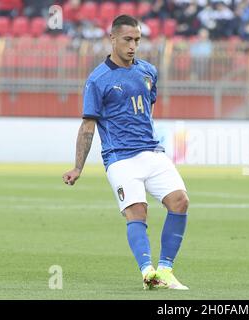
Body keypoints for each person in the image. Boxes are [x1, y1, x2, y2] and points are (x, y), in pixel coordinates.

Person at [62, 15, 190, 290]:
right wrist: (78, 168)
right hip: (120, 158)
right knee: (137, 211)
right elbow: (88, 125)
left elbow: (147, 105)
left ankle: (166, 270)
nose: (133, 46)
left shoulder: (148, 71)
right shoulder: (98, 79)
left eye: (137, 40)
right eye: (127, 40)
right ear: (112, 39)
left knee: (180, 201)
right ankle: (148, 272)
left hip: (152, 151)